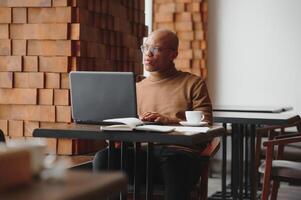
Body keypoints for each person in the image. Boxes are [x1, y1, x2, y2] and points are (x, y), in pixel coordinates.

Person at [93, 29, 213, 200]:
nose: (148, 53)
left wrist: (169, 121)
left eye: (156, 49)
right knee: (104, 158)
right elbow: (124, 126)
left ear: (173, 54)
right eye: (145, 47)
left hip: (179, 155)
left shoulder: (193, 83)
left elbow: (205, 123)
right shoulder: (136, 88)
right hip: (141, 156)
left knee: (174, 163)